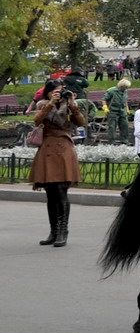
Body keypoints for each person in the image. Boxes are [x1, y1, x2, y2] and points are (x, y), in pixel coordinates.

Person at [30, 79, 85, 248]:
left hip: (64, 149)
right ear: (48, 92)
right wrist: (51, 103)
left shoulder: (68, 106)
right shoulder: (43, 105)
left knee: (61, 190)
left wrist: (73, 105)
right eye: (56, 91)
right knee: (51, 193)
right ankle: (53, 231)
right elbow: (37, 121)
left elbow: (81, 122)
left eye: (61, 91)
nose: (59, 94)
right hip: (47, 148)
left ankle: (63, 231)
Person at [103, 78, 131, 144]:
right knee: (112, 126)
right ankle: (111, 141)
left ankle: (124, 140)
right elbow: (104, 99)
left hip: (122, 110)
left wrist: (127, 109)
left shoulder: (125, 91)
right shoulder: (112, 91)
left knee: (125, 125)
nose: (126, 88)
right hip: (112, 111)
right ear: (121, 86)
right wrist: (105, 107)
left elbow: (125, 100)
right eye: (125, 87)